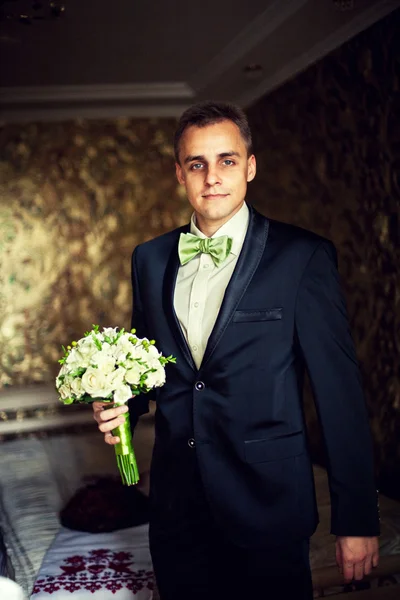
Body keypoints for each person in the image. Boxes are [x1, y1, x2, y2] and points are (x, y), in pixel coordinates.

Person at [93, 101, 380, 599]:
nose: (212, 178)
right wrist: (123, 405)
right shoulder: (150, 258)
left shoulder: (302, 257)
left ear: (250, 166)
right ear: (178, 173)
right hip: (177, 507)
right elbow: (148, 366)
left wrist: (357, 520)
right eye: (196, 164)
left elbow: (340, 396)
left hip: (267, 503)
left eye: (226, 160)